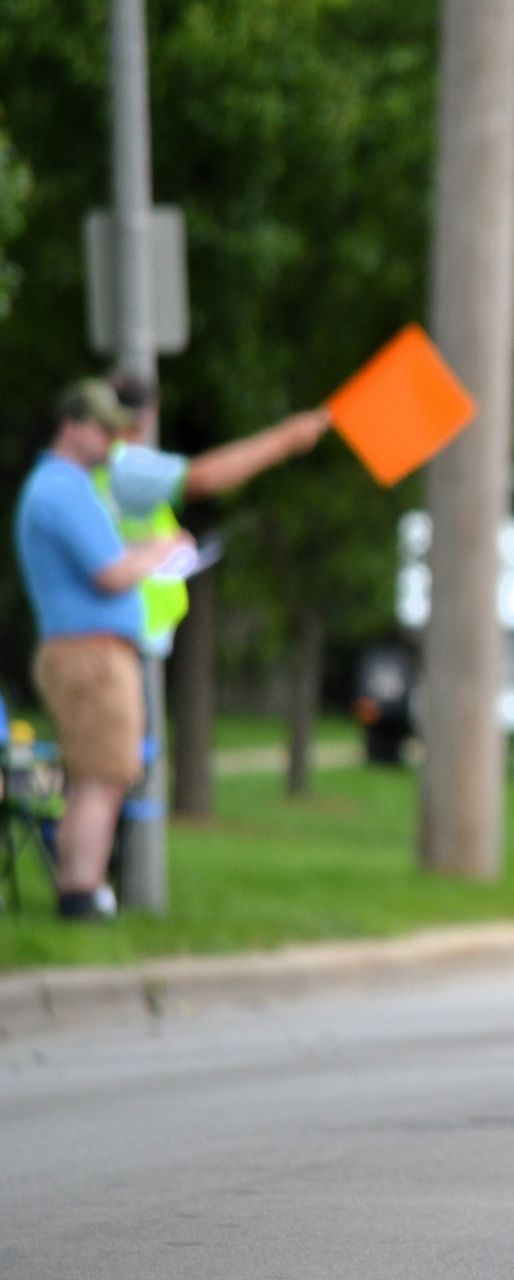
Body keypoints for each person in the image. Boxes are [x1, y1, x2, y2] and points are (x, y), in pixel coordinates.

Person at [12, 380, 193, 920]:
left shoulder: (67, 487)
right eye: (104, 429)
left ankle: (84, 887)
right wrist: (160, 550)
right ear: (72, 426)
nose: (114, 440)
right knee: (102, 775)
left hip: (87, 651)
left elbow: (110, 555)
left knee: (102, 774)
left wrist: (145, 550)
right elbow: (112, 573)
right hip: (90, 655)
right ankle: (81, 894)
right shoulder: (64, 489)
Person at [104, 373, 332, 654]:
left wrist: (163, 546)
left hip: (120, 631)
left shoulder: (97, 467)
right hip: (121, 633)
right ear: (149, 415)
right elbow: (203, 478)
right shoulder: (124, 464)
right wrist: (285, 440)